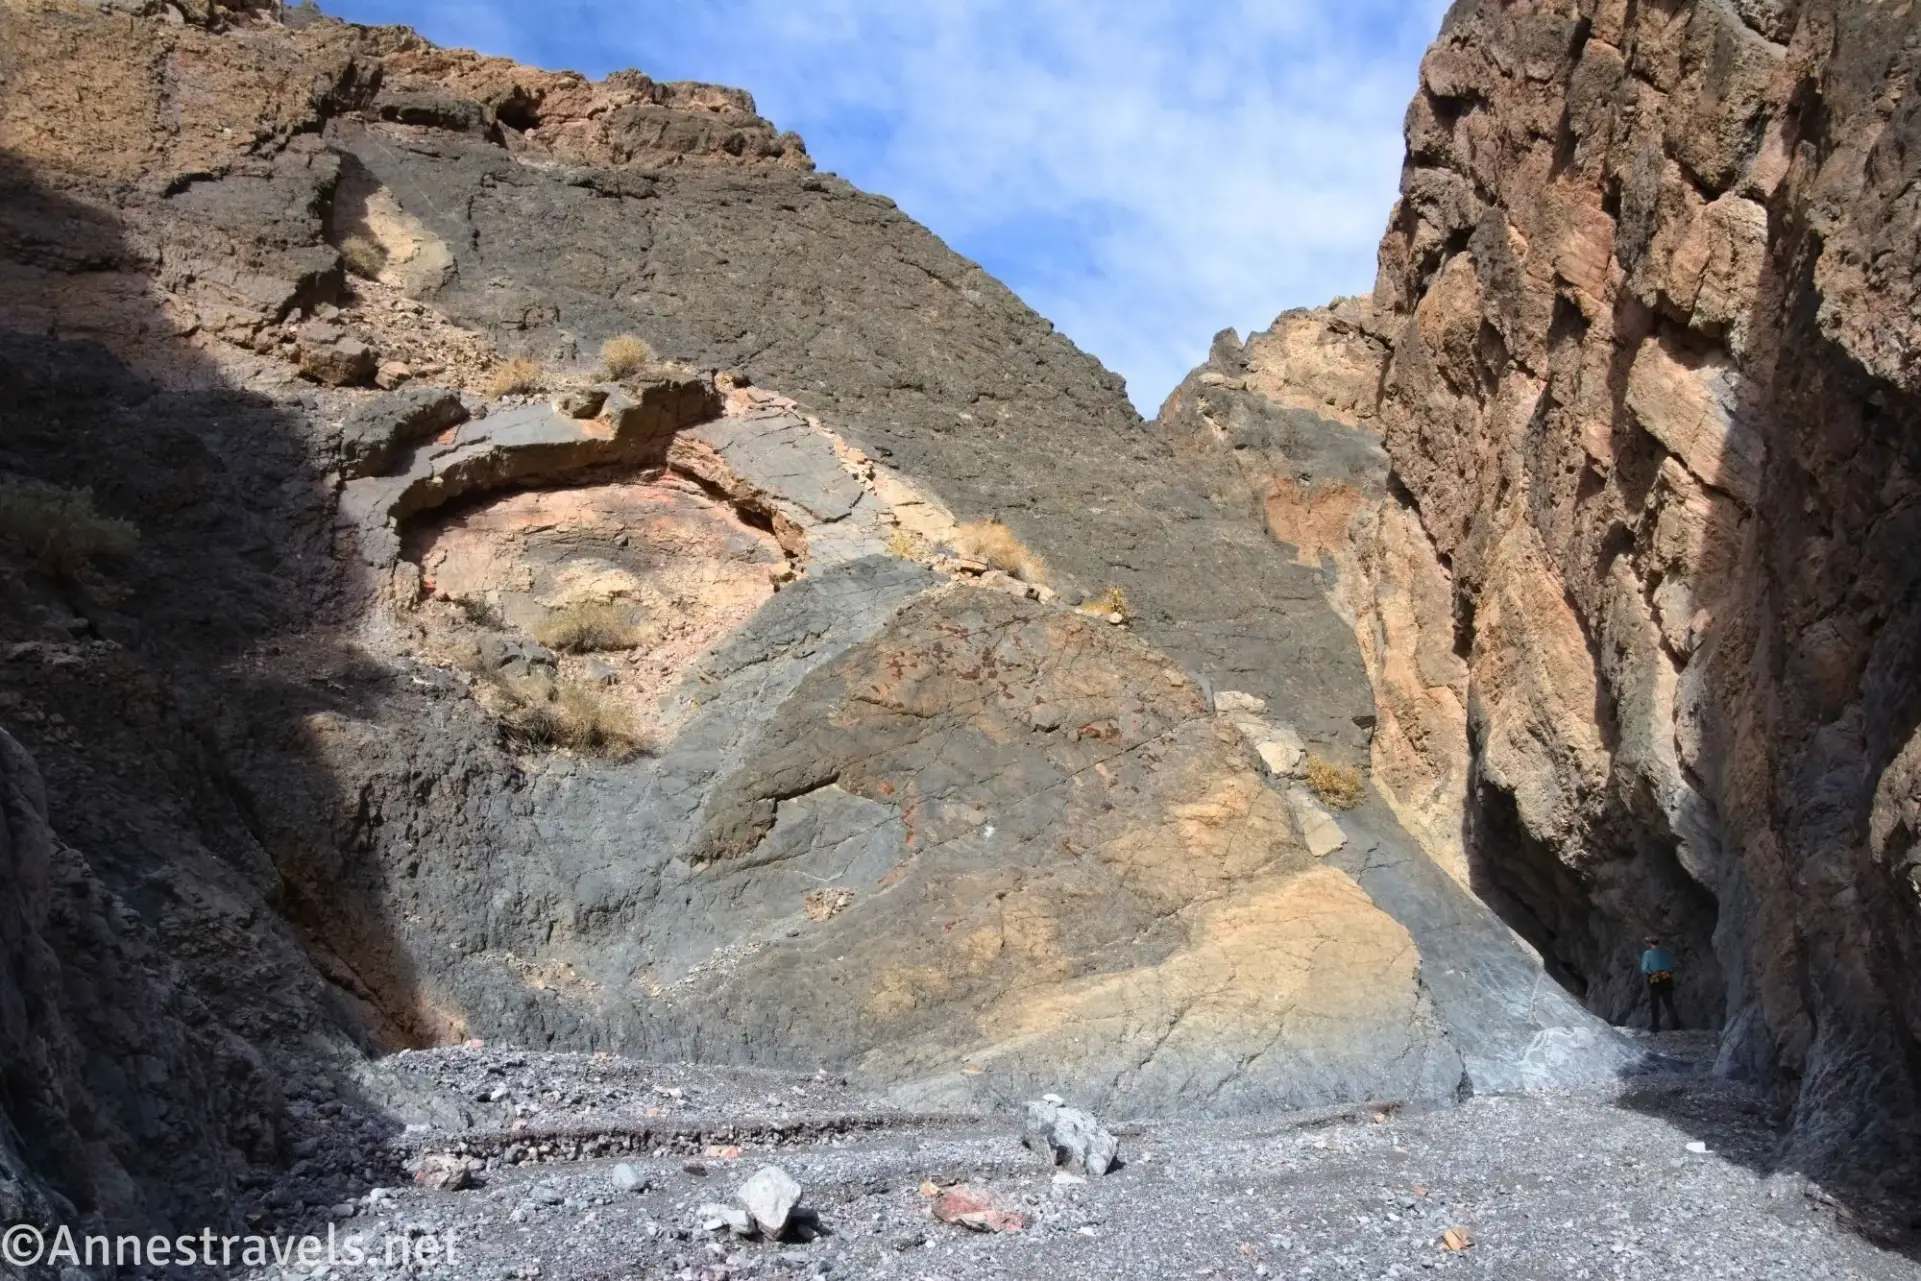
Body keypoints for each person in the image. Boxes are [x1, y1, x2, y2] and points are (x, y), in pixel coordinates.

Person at [1640, 935, 1680, 1032]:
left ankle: (1655, 1026)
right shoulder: (1665, 953)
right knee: (1669, 1003)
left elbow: (1644, 968)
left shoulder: (1647, 953)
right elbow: (1670, 967)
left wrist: (1652, 971)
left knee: (1655, 1003)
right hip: (1666, 979)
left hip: (1655, 980)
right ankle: (1676, 1025)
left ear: (1650, 944)